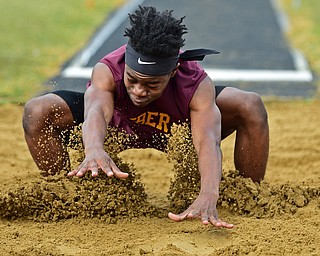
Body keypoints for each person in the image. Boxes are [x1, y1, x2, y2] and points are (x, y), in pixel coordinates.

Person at [23, 6, 269, 229]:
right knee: (37, 110)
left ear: (173, 72)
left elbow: (207, 140)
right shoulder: (108, 69)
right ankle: (64, 192)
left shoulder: (196, 82)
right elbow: (95, 111)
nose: (139, 91)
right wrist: (95, 149)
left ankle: (245, 194)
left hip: (176, 129)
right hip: (117, 128)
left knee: (249, 104)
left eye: (152, 84)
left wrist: (209, 193)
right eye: (132, 80)